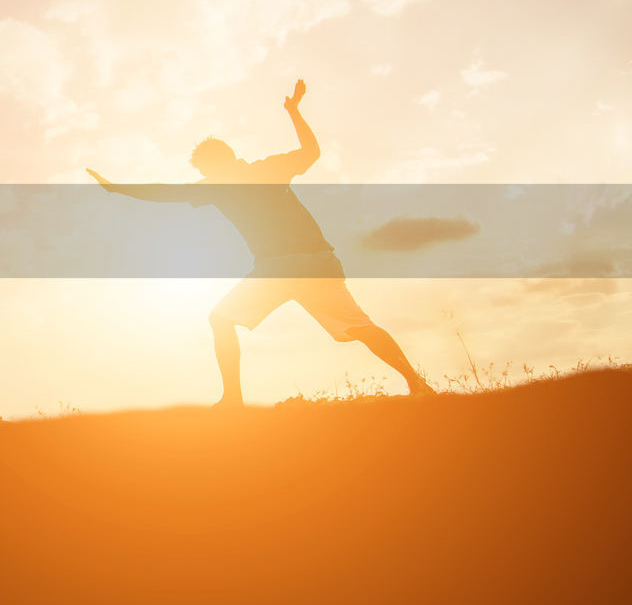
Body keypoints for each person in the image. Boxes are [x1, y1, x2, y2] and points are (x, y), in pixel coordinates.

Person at [87, 79, 435, 407]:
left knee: (221, 320)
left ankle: (233, 401)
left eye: (205, 170)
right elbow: (311, 151)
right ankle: (416, 383)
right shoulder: (269, 169)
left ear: (213, 166)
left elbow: (166, 193)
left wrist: (117, 187)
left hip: (280, 268)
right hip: (320, 263)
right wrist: (294, 111)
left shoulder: (216, 186)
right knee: (361, 326)